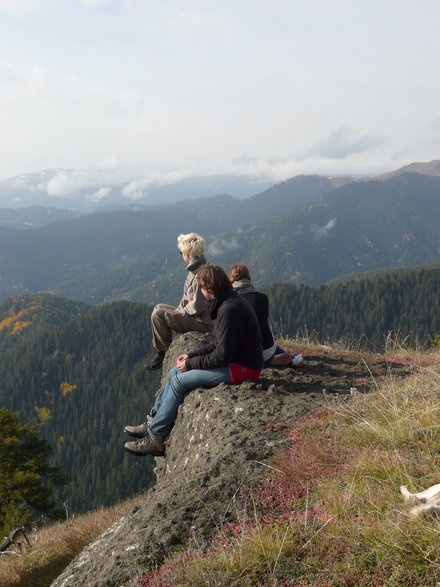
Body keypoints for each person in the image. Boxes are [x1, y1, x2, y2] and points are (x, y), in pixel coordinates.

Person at [124, 265, 263, 457]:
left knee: (180, 380)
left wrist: (190, 364)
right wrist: (191, 355)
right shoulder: (227, 303)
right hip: (236, 361)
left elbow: (222, 355)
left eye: (201, 288)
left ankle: (155, 437)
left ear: (208, 288)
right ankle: (152, 419)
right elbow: (218, 342)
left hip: (244, 368)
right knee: (174, 372)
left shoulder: (230, 309)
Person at [144, 233, 214, 371]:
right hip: (198, 317)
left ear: (187, 254)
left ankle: (162, 352)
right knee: (159, 307)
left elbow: (197, 307)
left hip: (203, 323)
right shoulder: (197, 269)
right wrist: (177, 314)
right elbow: (187, 299)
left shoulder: (201, 273)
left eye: (181, 252)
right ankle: (163, 349)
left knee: (159, 313)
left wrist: (178, 316)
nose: (181, 255)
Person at [228, 263, 303, 366]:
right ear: (248, 277)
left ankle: (264, 360)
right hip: (266, 347)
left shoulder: (229, 301)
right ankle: (289, 359)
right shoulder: (262, 298)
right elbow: (262, 322)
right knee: (268, 340)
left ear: (231, 278)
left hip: (242, 352)